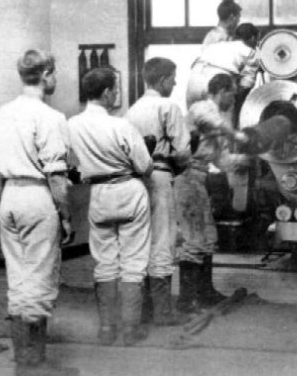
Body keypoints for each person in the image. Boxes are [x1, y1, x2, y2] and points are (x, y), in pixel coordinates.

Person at [0, 50, 77, 376]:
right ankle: (32, 365)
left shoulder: (2, 113)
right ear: (46, 73)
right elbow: (56, 176)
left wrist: (9, 194)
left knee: (18, 278)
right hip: (38, 197)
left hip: (9, 195)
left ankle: (23, 361)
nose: (56, 79)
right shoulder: (50, 117)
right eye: (55, 74)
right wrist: (65, 216)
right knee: (39, 278)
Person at [67, 67, 154, 347]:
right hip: (129, 190)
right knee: (134, 262)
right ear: (106, 93)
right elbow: (145, 166)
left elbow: (72, 166)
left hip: (100, 193)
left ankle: (106, 328)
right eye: (115, 89)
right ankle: (130, 329)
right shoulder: (121, 125)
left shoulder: (71, 125)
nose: (117, 94)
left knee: (105, 262)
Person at [125, 57, 191, 326]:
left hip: (135, 181)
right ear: (163, 80)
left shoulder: (132, 110)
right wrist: (182, 166)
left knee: (140, 243)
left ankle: (142, 311)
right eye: (173, 78)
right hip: (162, 175)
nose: (175, 83)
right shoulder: (168, 106)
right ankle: (163, 313)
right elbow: (184, 150)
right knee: (163, 240)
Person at [175, 73, 248, 314]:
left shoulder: (220, 119)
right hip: (186, 177)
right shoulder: (201, 108)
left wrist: (248, 157)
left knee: (207, 238)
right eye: (232, 93)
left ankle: (205, 293)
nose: (233, 98)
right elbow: (214, 124)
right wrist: (236, 135)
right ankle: (187, 300)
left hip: (200, 179)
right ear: (222, 91)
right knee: (194, 240)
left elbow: (223, 161)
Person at [186, 22, 261, 119]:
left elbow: (194, 63)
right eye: (257, 41)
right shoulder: (251, 52)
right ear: (252, 38)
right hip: (216, 83)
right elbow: (245, 86)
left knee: (195, 122)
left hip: (194, 81)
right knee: (221, 125)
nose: (257, 44)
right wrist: (237, 110)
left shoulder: (216, 45)